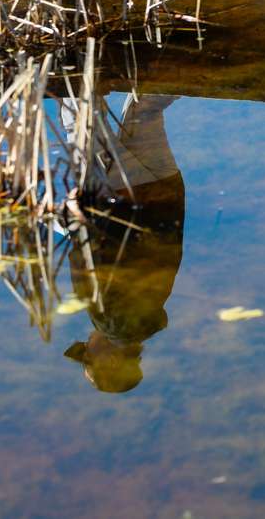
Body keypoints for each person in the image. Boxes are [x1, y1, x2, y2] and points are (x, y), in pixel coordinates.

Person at [61, 94, 184, 394]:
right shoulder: (109, 320)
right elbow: (86, 253)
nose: (86, 344)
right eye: (87, 355)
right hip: (121, 194)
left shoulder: (152, 310)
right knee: (79, 110)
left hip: (164, 189)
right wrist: (73, 213)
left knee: (146, 108)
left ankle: (196, 54)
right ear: (111, 361)